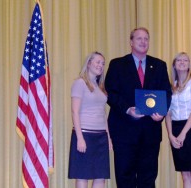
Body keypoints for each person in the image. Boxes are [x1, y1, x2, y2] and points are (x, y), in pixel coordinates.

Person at [105, 27, 172, 188]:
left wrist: (161, 113)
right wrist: (127, 109)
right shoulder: (117, 64)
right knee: (124, 176)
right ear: (131, 42)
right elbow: (111, 93)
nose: (143, 42)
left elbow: (167, 93)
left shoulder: (159, 65)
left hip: (150, 132)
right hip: (124, 131)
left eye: (146, 39)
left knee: (148, 178)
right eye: (139, 38)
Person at [68, 51, 112, 188]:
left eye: (103, 63)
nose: (101, 65)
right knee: (83, 176)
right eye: (98, 62)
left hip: (101, 137)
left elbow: (103, 114)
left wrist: (108, 137)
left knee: (101, 177)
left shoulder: (101, 87)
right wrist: (80, 138)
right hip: (85, 134)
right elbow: (75, 111)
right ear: (89, 63)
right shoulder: (80, 83)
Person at [165, 52, 191, 188]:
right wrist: (171, 135)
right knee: (185, 175)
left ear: (189, 65)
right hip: (175, 129)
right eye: (179, 60)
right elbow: (168, 113)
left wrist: (183, 133)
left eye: (185, 60)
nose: (182, 62)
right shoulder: (172, 87)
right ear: (174, 65)